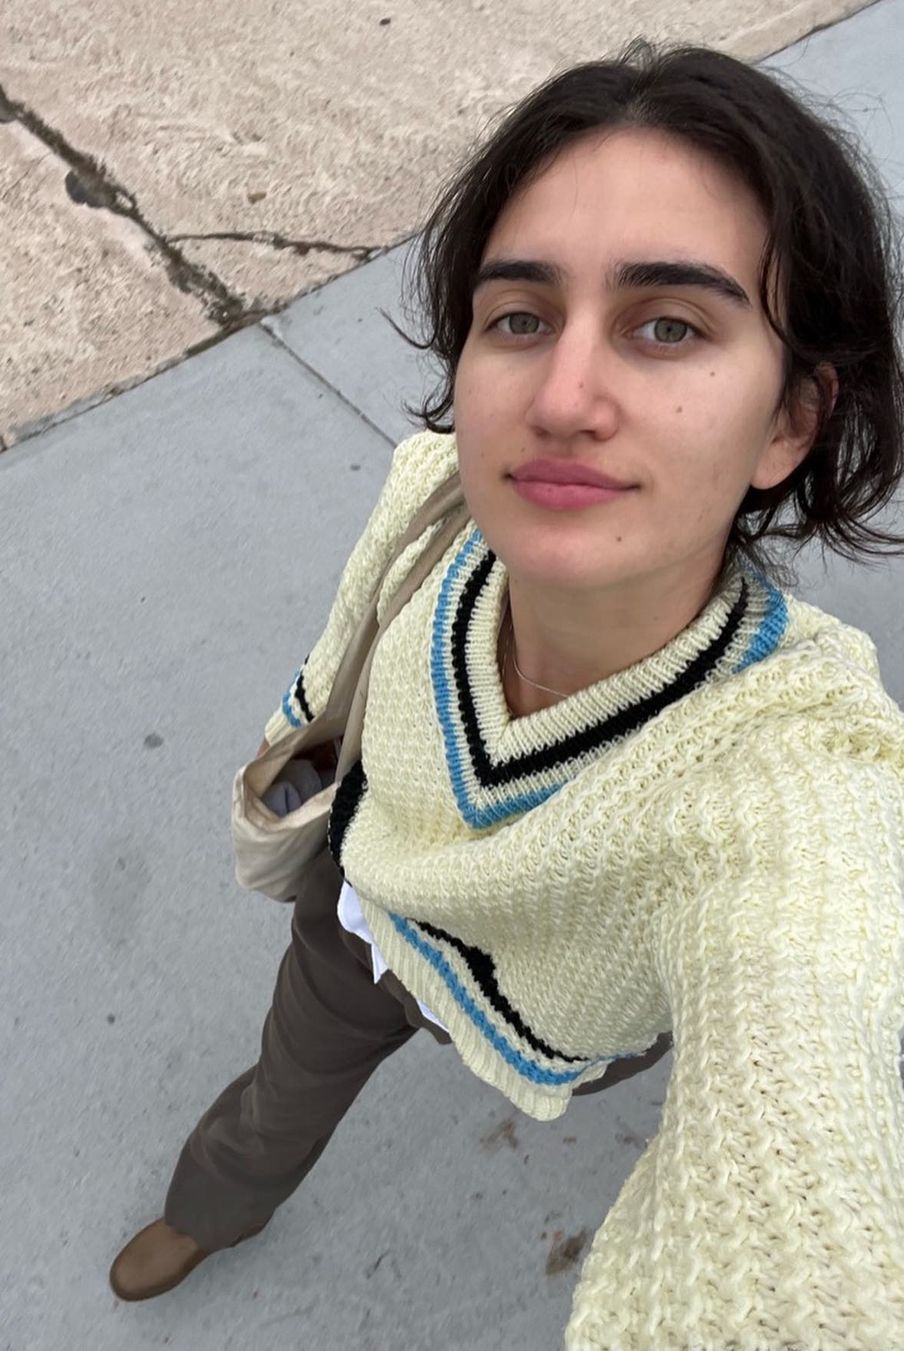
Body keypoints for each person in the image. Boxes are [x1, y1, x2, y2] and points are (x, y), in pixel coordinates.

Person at [110, 36, 904, 1347]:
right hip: (364, 917)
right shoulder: (432, 503)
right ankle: (217, 1206)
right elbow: (345, 649)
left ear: (788, 423)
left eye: (669, 325)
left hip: (543, 1007)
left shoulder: (793, 774)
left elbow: (806, 1085)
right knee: (279, 1093)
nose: (564, 396)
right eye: (520, 318)